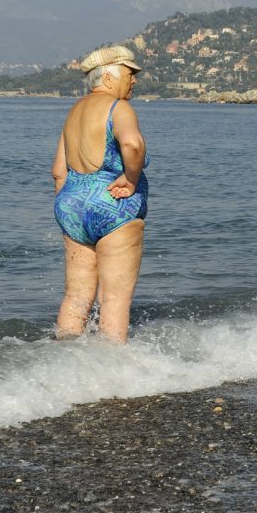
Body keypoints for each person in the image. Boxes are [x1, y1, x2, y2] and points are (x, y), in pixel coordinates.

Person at [51, 45, 149, 343]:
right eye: (130, 74)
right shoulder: (118, 108)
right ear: (108, 78)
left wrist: (72, 206)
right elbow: (132, 144)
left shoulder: (74, 112)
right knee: (114, 299)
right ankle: (113, 377)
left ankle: (63, 363)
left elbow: (58, 171)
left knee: (77, 297)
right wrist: (131, 180)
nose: (134, 81)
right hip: (113, 207)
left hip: (71, 206)